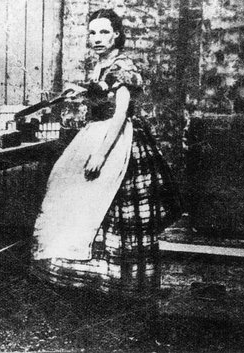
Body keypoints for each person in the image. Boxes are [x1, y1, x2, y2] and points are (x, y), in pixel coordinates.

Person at [31, 9, 182, 295]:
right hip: (96, 132)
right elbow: (102, 93)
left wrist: (101, 154)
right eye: (92, 32)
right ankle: (95, 281)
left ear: (116, 35)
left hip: (117, 139)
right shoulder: (103, 65)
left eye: (103, 32)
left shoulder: (123, 65)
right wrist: (83, 92)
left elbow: (121, 112)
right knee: (76, 196)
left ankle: (118, 283)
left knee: (111, 206)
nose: (97, 38)